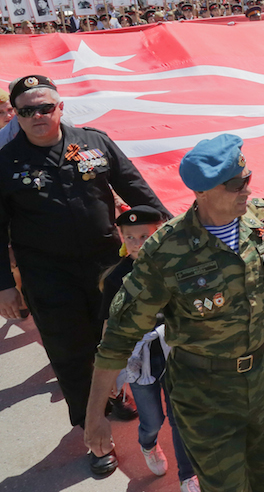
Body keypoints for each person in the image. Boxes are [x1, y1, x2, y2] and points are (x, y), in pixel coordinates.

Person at [84, 134, 264, 492]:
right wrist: (95, 416)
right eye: (235, 185)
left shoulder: (262, 216)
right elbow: (118, 337)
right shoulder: (166, 251)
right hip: (207, 395)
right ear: (202, 192)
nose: (246, 190)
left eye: (247, 179)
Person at [0, 75, 170, 477]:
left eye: (46, 107)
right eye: (27, 110)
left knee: (117, 340)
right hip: (48, 276)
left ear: (61, 107)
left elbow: (137, 190)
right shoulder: (4, 163)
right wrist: (5, 284)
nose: (38, 115)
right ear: (17, 116)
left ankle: (113, 394)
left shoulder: (95, 143)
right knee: (71, 353)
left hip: (107, 267)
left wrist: (174, 235)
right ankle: (94, 435)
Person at [100, 207, 200, 491]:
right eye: (130, 236)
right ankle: (148, 443)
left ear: (160, 235)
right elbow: (109, 327)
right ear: (121, 237)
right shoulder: (115, 279)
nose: (137, 242)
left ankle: (187, 475)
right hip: (140, 359)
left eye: (145, 235)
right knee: (152, 419)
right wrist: (110, 373)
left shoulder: (176, 266)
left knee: (180, 417)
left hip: (175, 353)